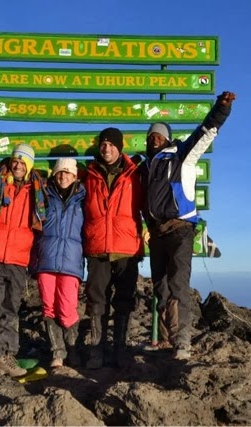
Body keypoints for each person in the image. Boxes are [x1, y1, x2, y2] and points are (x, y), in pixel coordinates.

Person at [141, 91, 236, 360]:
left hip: (180, 229)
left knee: (179, 284)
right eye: (151, 135)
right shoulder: (145, 167)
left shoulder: (181, 156)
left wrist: (222, 108)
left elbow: (205, 132)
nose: (154, 138)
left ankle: (182, 341)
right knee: (160, 287)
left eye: (159, 135)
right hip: (157, 233)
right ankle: (167, 339)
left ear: (167, 139)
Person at [0, 143, 46, 377]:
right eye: (15, 160)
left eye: (22, 162)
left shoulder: (37, 190)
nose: (17, 165)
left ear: (29, 165)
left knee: (11, 308)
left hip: (19, 258)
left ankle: (6, 354)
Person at [83, 127, 145, 369]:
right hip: (97, 246)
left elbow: (149, 202)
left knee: (124, 300)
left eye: (111, 144)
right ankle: (96, 350)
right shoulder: (89, 174)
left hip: (126, 248)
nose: (106, 148)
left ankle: (121, 350)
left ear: (119, 147)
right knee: (96, 299)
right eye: (103, 144)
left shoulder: (134, 173)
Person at [34, 158, 86, 369]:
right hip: (46, 260)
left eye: (67, 172)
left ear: (75, 176)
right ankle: (57, 352)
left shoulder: (83, 199)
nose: (63, 176)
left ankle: (73, 349)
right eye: (59, 172)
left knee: (67, 309)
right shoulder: (44, 196)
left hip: (71, 262)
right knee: (49, 308)